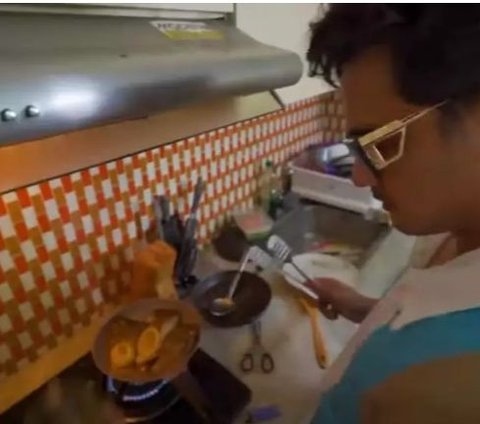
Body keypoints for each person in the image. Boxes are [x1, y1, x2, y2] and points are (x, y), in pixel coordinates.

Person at [306, 5, 480, 423]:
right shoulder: (453, 229)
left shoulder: (449, 391)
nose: (361, 178)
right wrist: (364, 307)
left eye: (380, 146)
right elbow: (425, 316)